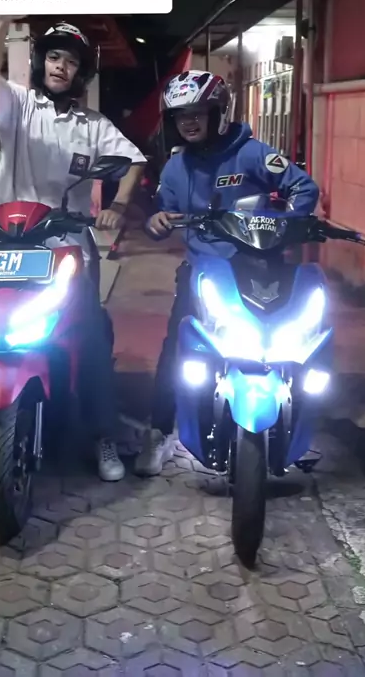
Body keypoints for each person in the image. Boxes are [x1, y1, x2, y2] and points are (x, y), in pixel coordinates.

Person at [0, 16, 146, 481]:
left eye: (71, 62)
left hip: (65, 243)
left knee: (90, 333)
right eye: (54, 57)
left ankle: (102, 435)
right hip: (4, 239)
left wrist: (118, 205)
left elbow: (133, 160)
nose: (60, 67)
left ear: (80, 74)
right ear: (41, 62)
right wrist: (1, 20)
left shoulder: (92, 125)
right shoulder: (19, 105)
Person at [135, 69, 320, 477]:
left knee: (295, 342)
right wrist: (157, 221)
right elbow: (162, 212)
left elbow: (303, 188)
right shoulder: (175, 168)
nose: (188, 122)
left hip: (260, 266)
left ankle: (297, 425)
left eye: (197, 113)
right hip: (203, 272)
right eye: (180, 115)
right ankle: (160, 430)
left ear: (219, 112)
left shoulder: (251, 153)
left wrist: (289, 221)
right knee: (175, 350)